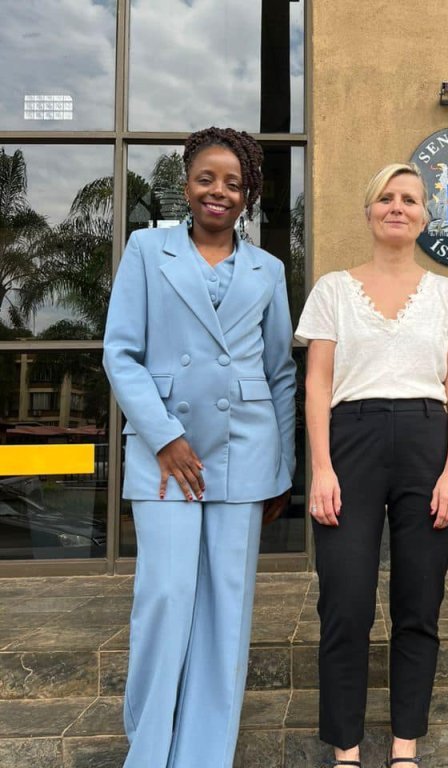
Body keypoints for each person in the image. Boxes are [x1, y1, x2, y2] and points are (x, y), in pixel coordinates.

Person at [103, 126, 296, 768]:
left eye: (234, 183)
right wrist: (165, 437)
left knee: (226, 611)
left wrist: (282, 469)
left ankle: (205, 757)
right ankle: (150, 752)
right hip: (166, 455)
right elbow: (121, 354)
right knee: (162, 598)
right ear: (186, 183)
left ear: (249, 195)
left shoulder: (268, 268)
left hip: (245, 450)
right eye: (207, 178)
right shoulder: (145, 249)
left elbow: (279, 373)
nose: (220, 191)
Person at [295, 163, 448, 768]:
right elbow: (317, 385)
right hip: (351, 442)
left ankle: (405, 746)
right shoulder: (332, 290)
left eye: (410, 199)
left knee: (418, 602)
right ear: (368, 211)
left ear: (426, 216)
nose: (397, 207)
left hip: (428, 444)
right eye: (386, 198)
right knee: (344, 600)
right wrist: (321, 468)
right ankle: (346, 749)